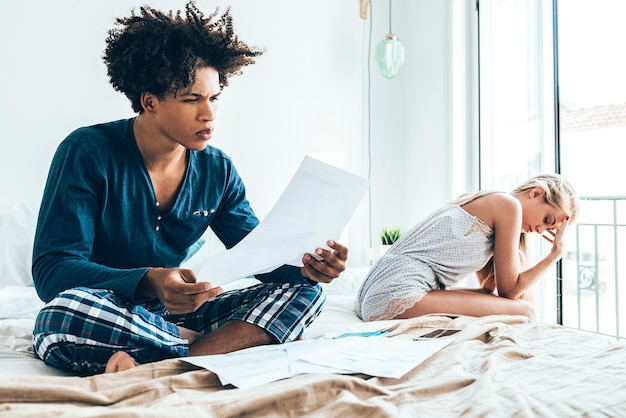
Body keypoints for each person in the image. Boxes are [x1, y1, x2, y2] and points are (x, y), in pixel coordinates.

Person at [31, 2, 348, 376]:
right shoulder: (87, 153)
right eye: (191, 99)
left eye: (214, 97)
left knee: (306, 296)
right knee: (60, 316)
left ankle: (167, 357)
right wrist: (150, 280)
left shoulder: (217, 170)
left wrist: (310, 269)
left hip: (181, 314)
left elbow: (259, 259)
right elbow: (52, 272)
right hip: (106, 308)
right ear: (150, 101)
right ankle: (224, 346)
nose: (209, 114)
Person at [356, 174, 578, 322]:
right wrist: (554, 255)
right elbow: (509, 291)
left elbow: (489, 288)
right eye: (548, 220)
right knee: (525, 311)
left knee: (510, 306)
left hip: (374, 291)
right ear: (536, 193)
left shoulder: (480, 199)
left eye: (550, 230)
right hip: (396, 292)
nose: (540, 230)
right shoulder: (508, 206)